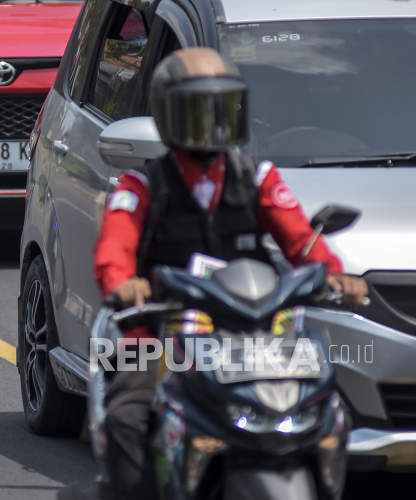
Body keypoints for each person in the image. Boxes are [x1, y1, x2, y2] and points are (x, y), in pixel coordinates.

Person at [93, 47, 368, 499]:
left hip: (253, 332)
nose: (212, 125)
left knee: (326, 404)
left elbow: (301, 240)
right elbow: (115, 246)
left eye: (222, 111)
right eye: (197, 112)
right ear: (168, 116)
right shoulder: (142, 185)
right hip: (154, 330)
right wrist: (123, 283)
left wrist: (333, 275)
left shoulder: (257, 178)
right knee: (127, 416)